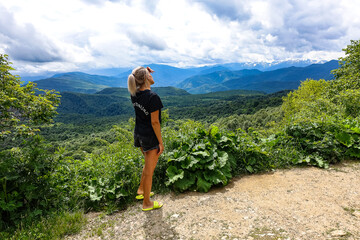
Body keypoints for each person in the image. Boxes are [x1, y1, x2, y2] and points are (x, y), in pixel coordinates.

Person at [127, 66, 164, 211]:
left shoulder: (134, 93)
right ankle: (147, 203)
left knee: (147, 165)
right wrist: (160, 142)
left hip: (139, 135)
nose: (153, 76)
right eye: (150, 74)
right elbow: (155, 122)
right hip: (150, 137)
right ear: (147, 77)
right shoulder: (153, 97)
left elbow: (136, 74)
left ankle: (141, 191)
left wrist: (145, 69)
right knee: (150, 170)